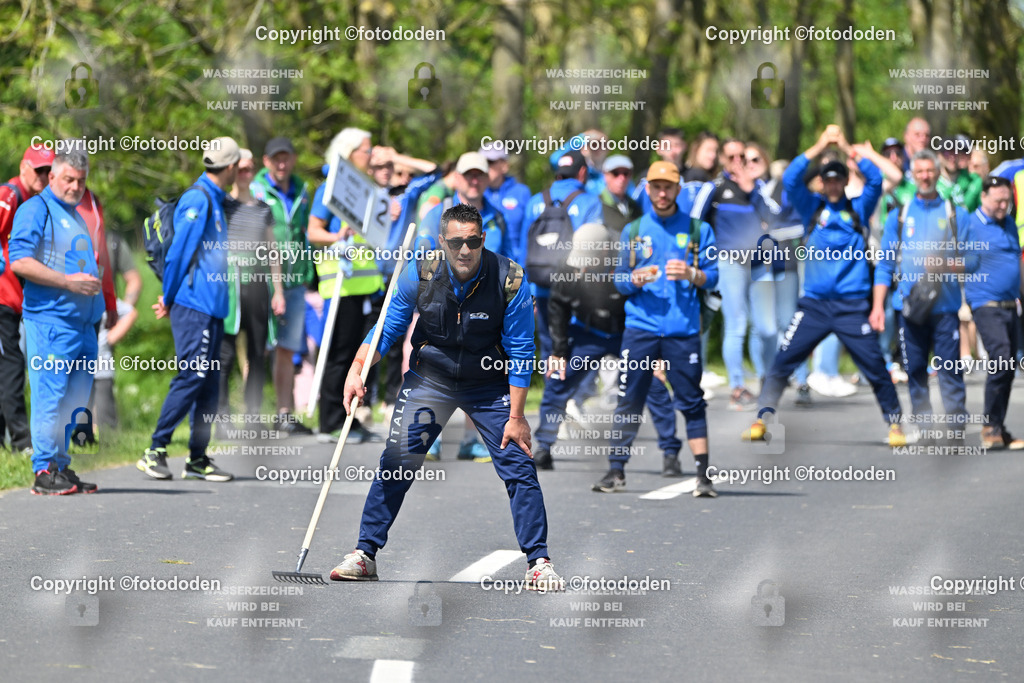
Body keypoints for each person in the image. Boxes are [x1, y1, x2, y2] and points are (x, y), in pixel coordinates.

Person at [330, 204, 563, 591]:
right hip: (431, 377)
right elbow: (388, 326)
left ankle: (538, 561)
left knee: (518, 464)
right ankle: (364, 555)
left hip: (488, 383)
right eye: (456, 242)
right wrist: (357, 371)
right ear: (442, 242)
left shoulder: (511, 279)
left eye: (473, 241)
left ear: (483, 239)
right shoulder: (421, 271)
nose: (465, 251)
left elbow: (522, 351)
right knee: (397, 460)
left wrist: (518, 416)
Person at [742, 125, 907, 447]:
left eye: (837, 179)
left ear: (845, 181)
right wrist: (819, 146)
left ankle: (895, 424)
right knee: (782, 361)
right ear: (821, 182)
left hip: (851, 306)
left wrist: (847, 146)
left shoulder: (858, 209)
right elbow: (790, 178)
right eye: (827, 179)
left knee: (875, 367)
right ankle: (762, 417)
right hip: (814, 306)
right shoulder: (811, 208)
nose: (832, 184)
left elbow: (874, 179)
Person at [597, 161, 719, 497]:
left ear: (678, 189)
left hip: (682, 330)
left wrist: (693, 274)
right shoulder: (634, 230)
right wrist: (633, 280)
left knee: (691, 401)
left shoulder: (698, 230)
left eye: (668, 187)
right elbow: (619, 281)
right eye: (656, 186)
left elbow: (714, 275)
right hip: (641, 328)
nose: (662, 193)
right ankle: (615, 470)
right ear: (647, 189)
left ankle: (703, 476)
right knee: (629, 398)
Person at [535, 223, 683, 475]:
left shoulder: (632, 260)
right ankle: (543, 447)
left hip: (629, 334)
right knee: (558, 379)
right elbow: (557, 307)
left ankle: (670, 453)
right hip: (588, 333)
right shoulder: (569, 264)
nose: (582, 267)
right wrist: (559, 352)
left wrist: (657, 353)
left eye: (588, 262)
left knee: (653, 387)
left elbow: (654, 306)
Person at [137, 137, 240, 482]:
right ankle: (155, 449)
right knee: (193, 375)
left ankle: (197, 458)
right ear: (231, 167)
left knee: (209, 382)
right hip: (194, 305)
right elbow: (179, 252)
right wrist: (167, 296)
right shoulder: (198, 198)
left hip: (211, 306)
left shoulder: (217, 199)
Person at [9, 147, 102, 494]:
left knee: (75, 401)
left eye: (80, 181)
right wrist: (67, 282)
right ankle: (44, 470)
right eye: (68, 179)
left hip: (83, 325)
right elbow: (19, 260)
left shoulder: (76, 214)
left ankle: (61, 466)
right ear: (52, 177)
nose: (75, 186)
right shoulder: (36, 209)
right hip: (51, 322)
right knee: (50, 396)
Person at [873, 149, 974, 442]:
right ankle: (925, 427)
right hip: (909, 306)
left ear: (937, 172)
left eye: (930, 171)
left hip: (945, 307)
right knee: (915, 368)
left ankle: (956, 428)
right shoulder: (900, 216)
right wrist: (878, 305)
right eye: (920, 172)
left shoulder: (955, 214)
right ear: (913, 175)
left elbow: (974, 260)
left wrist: (944, 264)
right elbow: (885, 264)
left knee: (949, 370)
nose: (925, 177)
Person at [306, 128, 384, 444]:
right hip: (341, 286)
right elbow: (313, 232)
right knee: (339, 354)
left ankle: (350, 419)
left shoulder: (368, 192)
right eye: (367, 150)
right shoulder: (330, 189)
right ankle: (330, 421)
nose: (371, 155)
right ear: (350, 153)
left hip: (366, 286)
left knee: (360, 356)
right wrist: (338, 238)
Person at [692, 138, 781, 410]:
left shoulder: (760, 188)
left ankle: (767, 380)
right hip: (729, 262)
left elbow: (776, 216)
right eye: (730, 157)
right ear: (722, 159)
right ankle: (737, 387)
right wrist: (703, 258)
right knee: (737, 324)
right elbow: (695, 222)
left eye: (741, 156)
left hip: (759, 263)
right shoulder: (714, 188)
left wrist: (752, 189)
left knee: (767, 327)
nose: (737, 162)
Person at [250, 137, 315, 435]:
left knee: (287, 348)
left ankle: (283, 414)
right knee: (259, 348)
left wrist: (308, 271)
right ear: (266, 161)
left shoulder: (302, 190)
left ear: (293, 158)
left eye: (286, 157)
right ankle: (253, 415)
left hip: (295, 280)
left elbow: (303, 233)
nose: (281, 163)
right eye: (275, 158)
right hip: (261, 280)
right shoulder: (255, 189)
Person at [218, 149, 286, 425]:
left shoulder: (263, 209)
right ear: (232, 170)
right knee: (225, 353)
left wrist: (278, 291)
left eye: (249, 169)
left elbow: (273, 252)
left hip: (258, 285)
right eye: (240, 169)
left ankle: (253, 415)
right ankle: (222, 417)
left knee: (259, 352)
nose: (245, 174)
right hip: (230, 287)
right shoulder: (222, 204)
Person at [0, 143, 54, 456]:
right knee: (12, 364)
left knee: (8, 364)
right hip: (3, 298)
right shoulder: (10, 196)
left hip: (14, 299)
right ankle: (21, 442)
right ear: (24, 167)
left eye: (49, 171)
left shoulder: (36, 201)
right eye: (39, 170)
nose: (44, 176)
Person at [964, 176, 1024, 449]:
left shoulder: (1009, 223)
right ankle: (989, 425)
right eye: (998, 200)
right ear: (984, 197)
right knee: (1000, 357)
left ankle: (998, 426)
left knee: (1009, 367)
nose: (1003, 206)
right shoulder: (969, 224)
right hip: (985, 304)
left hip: (1012, 305)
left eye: (1007, 201)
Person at [481, 141, 532, 264]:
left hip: (516, 267)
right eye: (483, 162)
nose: (486, 167)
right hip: (484, 267)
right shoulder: (476, 193)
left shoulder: (522, 192)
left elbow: (530, 234)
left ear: (505, 166)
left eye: (491, 162)